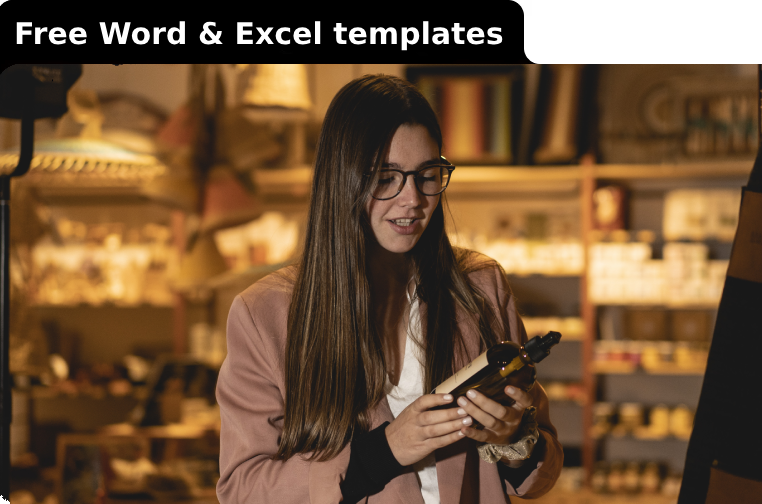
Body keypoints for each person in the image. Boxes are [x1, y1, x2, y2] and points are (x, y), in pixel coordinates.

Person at [215, 74, 563, 504]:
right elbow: (242, 490)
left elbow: (540, 477)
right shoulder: (266, 313)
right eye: (385, 178)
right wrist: (382, 453)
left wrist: (513, 439)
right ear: (341, 180)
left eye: (427, 175)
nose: (413, 199)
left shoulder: (479, 287)